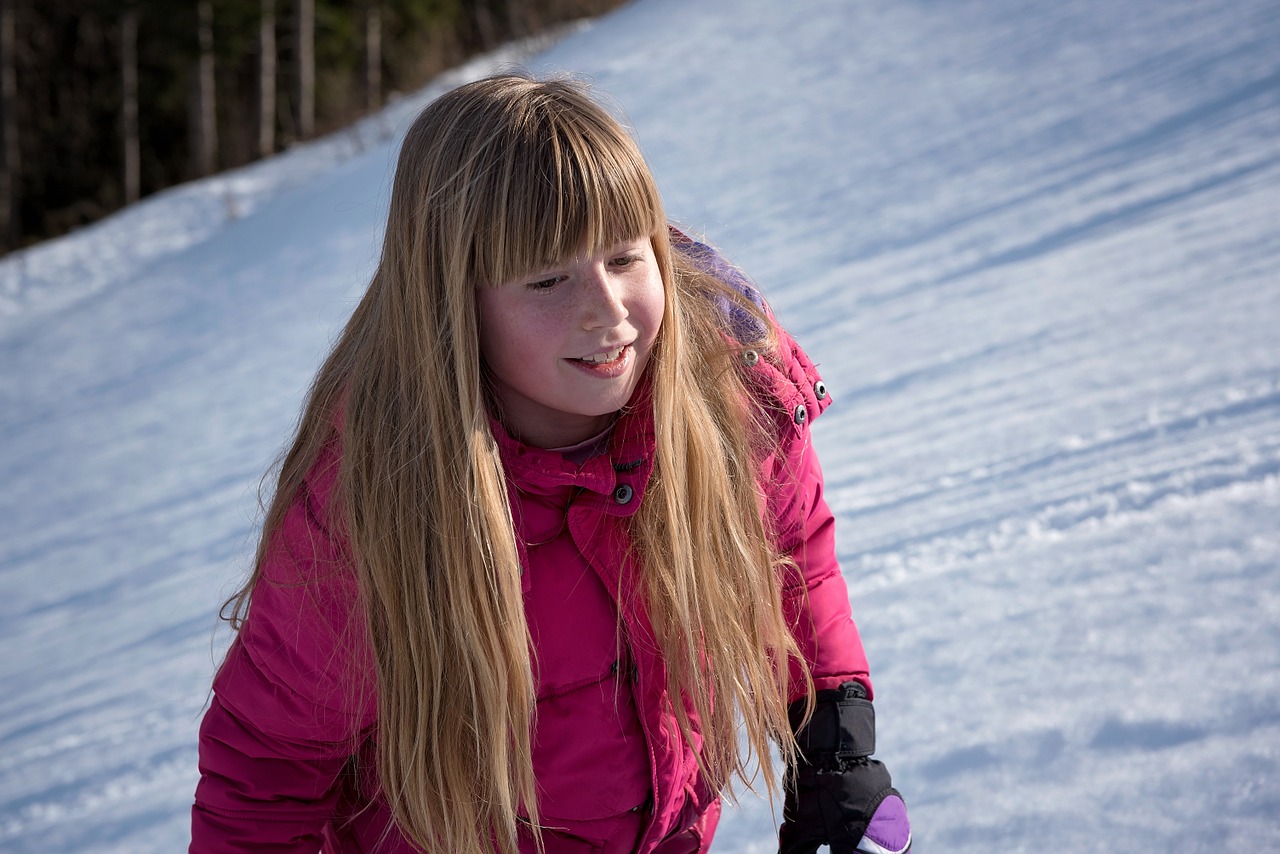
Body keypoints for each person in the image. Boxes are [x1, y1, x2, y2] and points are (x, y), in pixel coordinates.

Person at [190, 74, 910, 854]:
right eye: (547, 279)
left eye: (626, 259)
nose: (607, 312)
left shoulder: (723, 385)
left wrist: (836, 743)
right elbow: (265, 774)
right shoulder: (376, 505)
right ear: (452, 301)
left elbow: (791, 557)